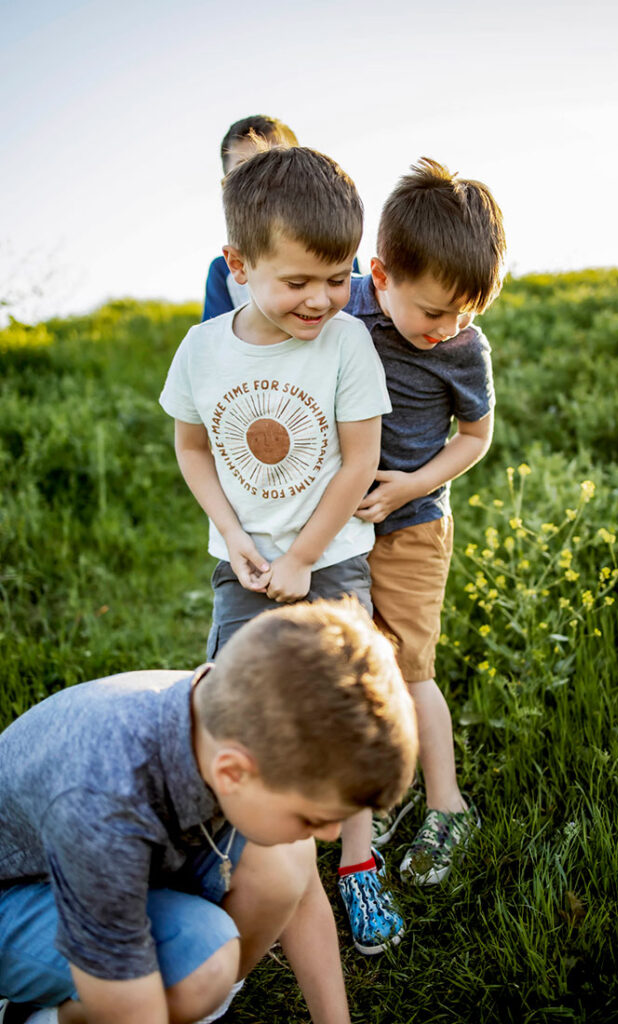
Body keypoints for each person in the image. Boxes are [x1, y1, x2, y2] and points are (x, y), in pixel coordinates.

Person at [160, 144, 403, 955]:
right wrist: (235, 539)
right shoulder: (202, 351)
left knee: (343, 709)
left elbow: (360, 459)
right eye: (297, 282)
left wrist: (303, 555)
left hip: (329, 560)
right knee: (236, 703)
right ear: (239, 264)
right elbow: (192, 449)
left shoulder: (345, 346)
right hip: (243, 566)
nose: (322, 299)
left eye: (337, 279)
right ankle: (246, 856)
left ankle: (358, 866)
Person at [0, 599, 418, 1024]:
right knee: (203, 964)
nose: (331, 833)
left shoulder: (230, 717)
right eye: (311, 818)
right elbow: (131, 1014)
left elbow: (303, 892)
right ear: (233, 773)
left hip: (94, 867)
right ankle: (43, 1017)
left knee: (287, 861)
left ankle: (189, 1004)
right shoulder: (103, 809)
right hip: (16, 895)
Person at [346, 158, 506, 885]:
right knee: (357, 666)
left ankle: (448, 805)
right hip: (340, 528)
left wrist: (411, 483)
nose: (449, 329)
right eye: (436, 311)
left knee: (410, 670)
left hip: (411, 529)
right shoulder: (347, 309)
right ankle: (389, 790)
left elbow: (474, 438)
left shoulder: (465, 352)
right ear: (381, 275)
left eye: (466, 313)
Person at [202, 114, 299, 323]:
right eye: (243, 169)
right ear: (226, 188)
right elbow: (214, 345)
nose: (260, 181)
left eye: (275, 165)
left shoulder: (334, 249)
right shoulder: (223, 272)